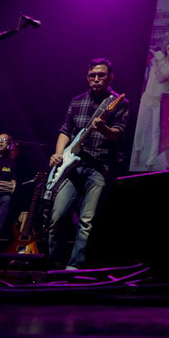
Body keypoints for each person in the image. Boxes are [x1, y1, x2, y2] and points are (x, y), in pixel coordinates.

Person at [48, 58, 129, 269]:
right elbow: (65, 131)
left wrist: (103, 128)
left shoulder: (118, 102)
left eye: (101, 75)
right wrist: (58, 154)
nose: (96, 79)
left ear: (110, 77)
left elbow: (117, 135)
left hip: (101, 166)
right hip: (73, 165)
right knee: (57, 216)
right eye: (92, 75)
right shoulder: (76, 101)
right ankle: (54, 263)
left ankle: (74, 267)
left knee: (86, 221)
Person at [131, 36, 169, 171]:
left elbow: (160, 79)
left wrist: (154, 64)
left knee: (156, 133)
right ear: (167, 45)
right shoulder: (159, 55)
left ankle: (150, 162)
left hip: (160, 102)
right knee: (139, 131)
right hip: (146, 98)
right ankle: (138, 150)